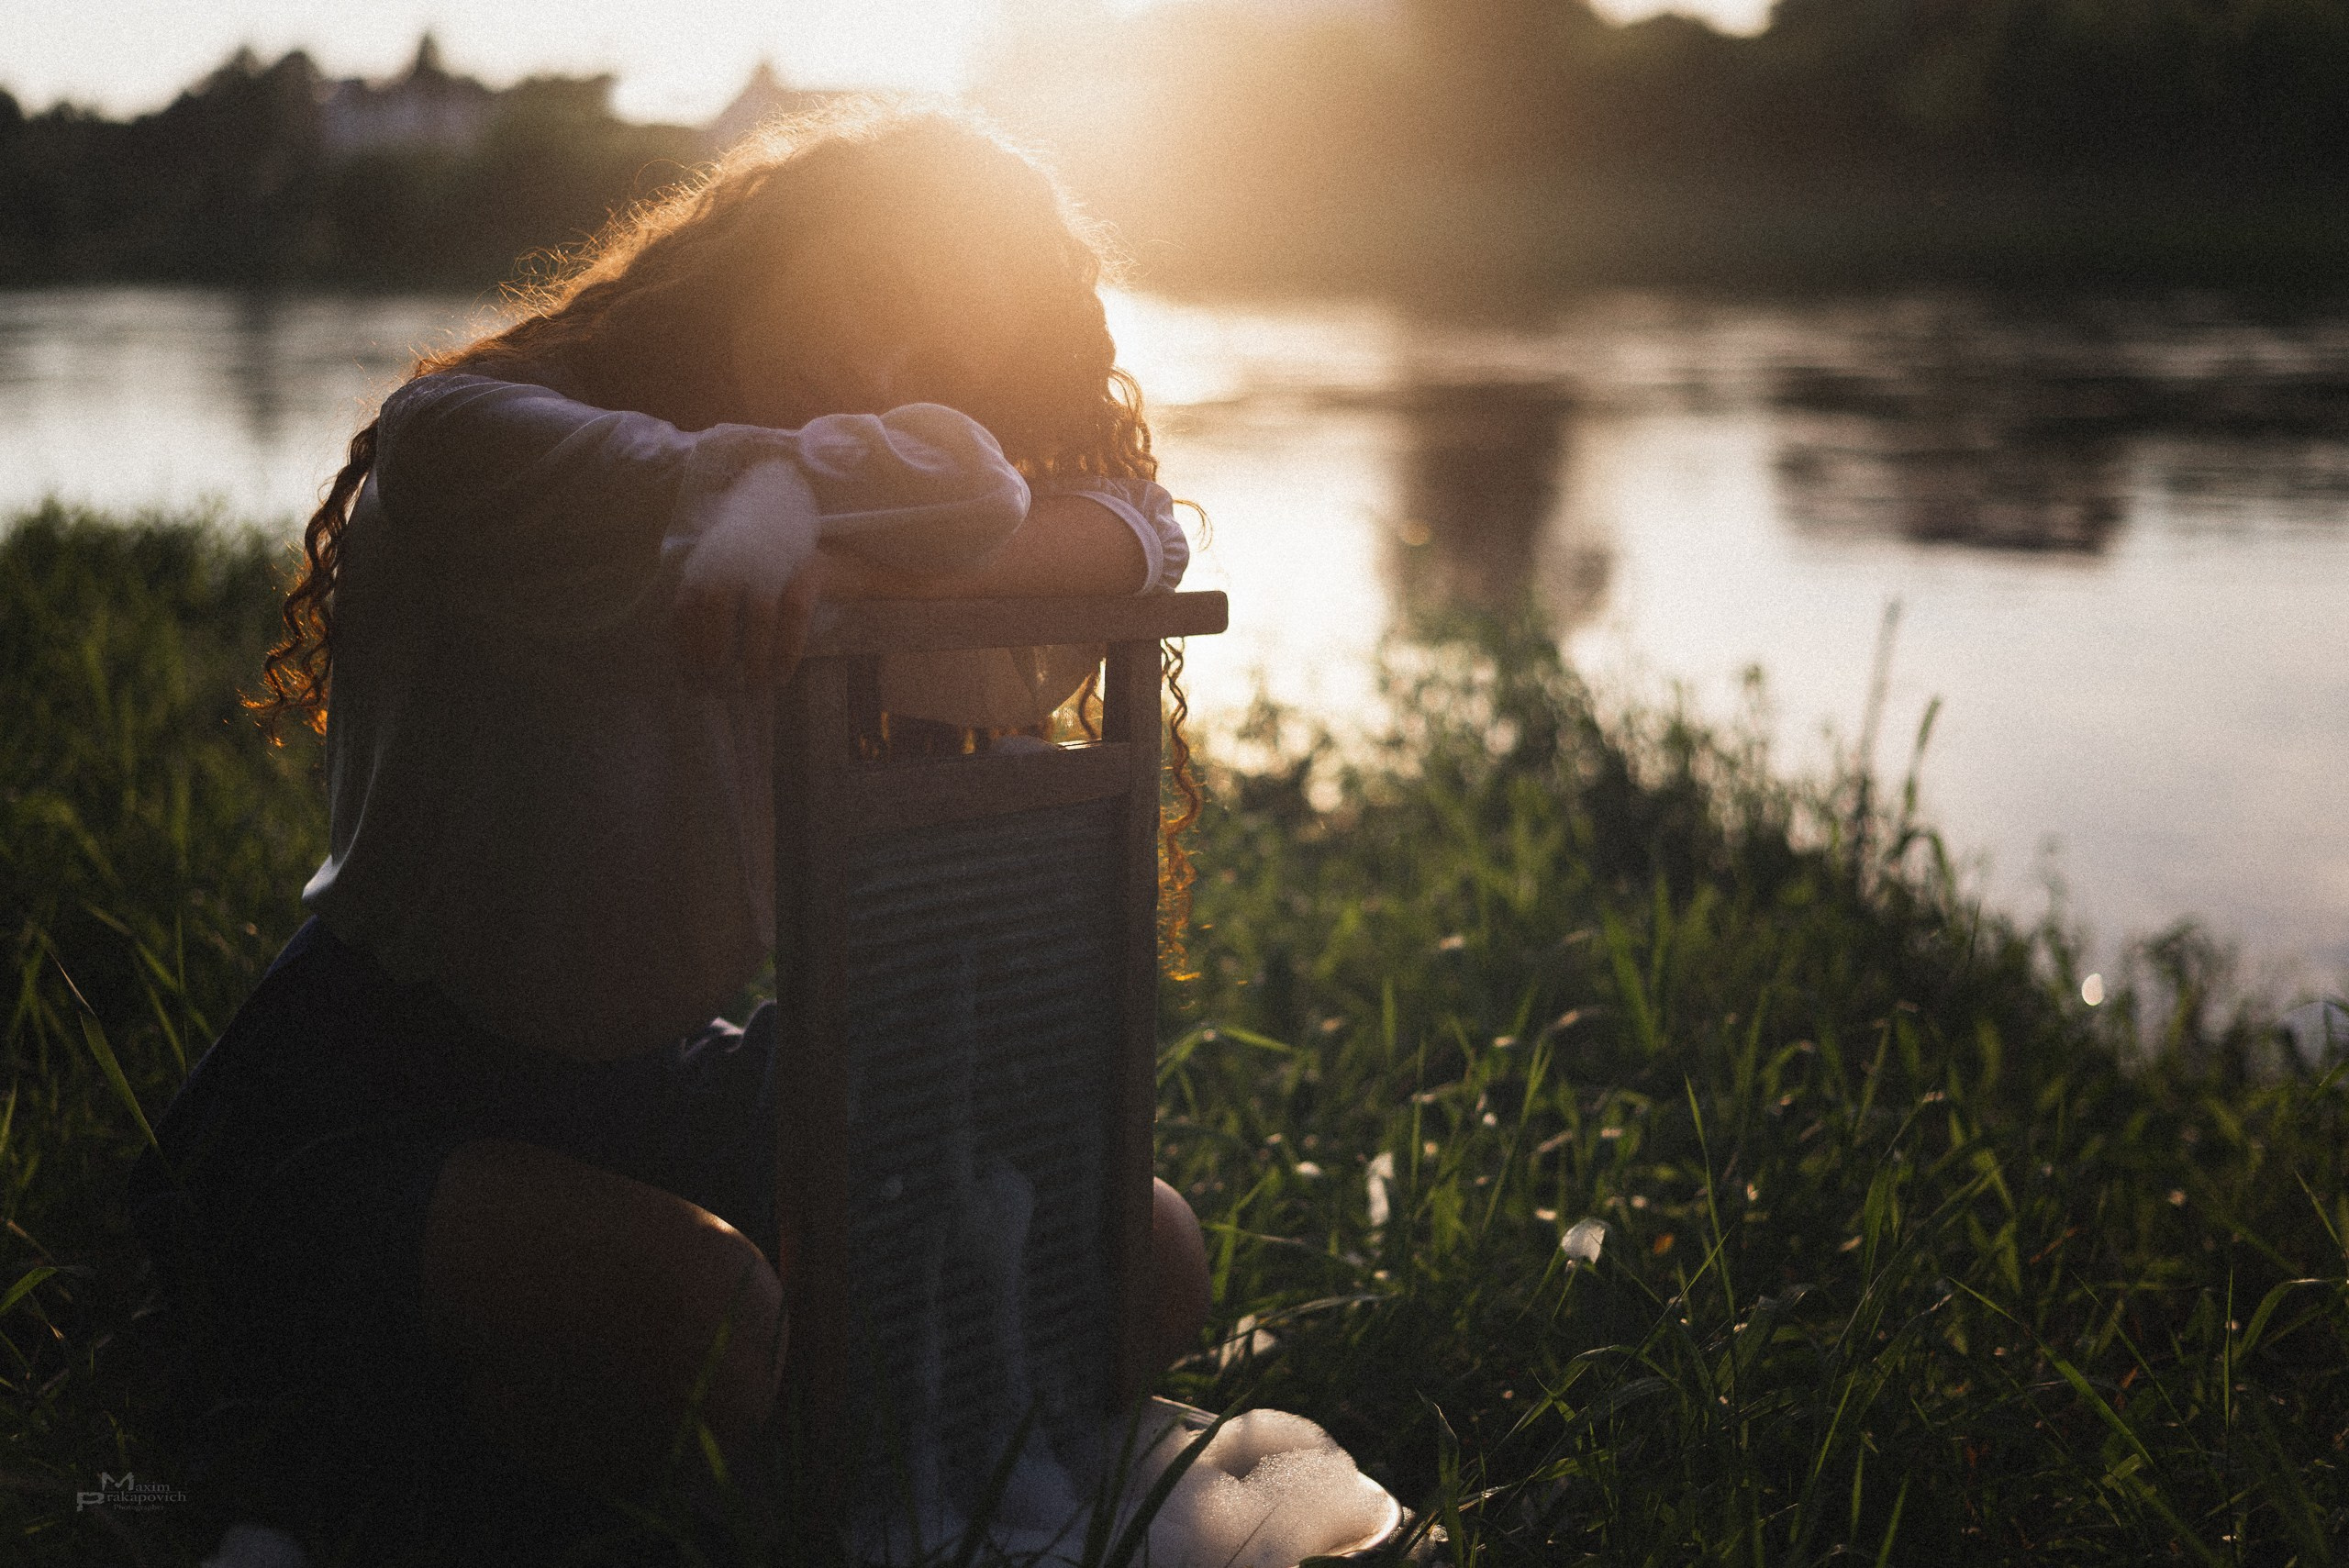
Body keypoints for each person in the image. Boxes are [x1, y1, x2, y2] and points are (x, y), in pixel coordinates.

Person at [128, 109, 1213, 1559]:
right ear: (770, 240)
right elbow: (495, 452)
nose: (882, 376)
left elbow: (1141, 535)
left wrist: (823, 532)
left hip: (655, 1086)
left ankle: (773, 1447)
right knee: (709, 1327)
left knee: (1138, 1246)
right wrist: (831, 499)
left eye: (939, 371)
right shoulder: (486, 444)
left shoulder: (829, 563)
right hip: (367, 1093)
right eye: (874, 292)